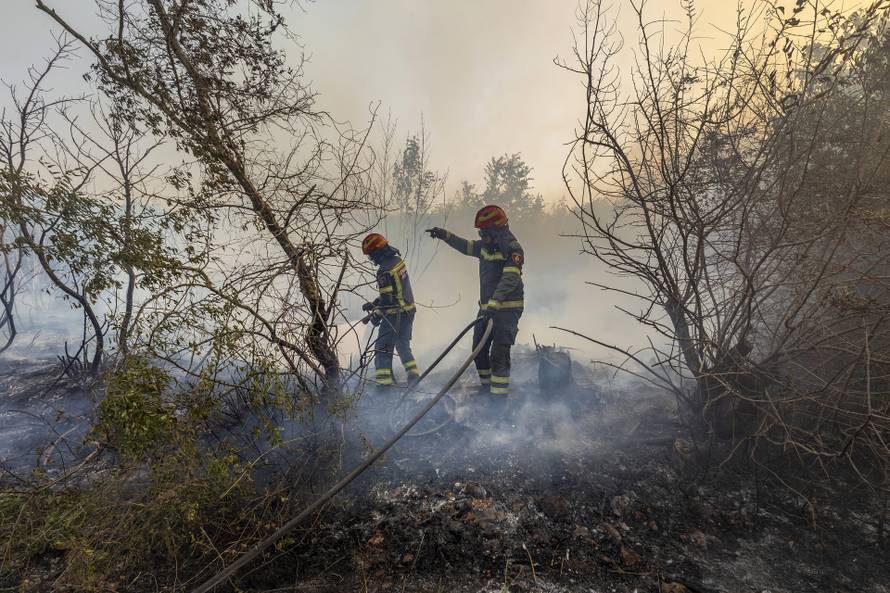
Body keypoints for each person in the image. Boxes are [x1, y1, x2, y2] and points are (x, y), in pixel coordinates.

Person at [426, 205, 524, 400]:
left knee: (499, 353)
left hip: (507, 310)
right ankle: (487, 388)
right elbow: (465, 246)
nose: (481, 236)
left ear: (497, 229)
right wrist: (444, 235)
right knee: (478, 350)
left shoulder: (513, 249)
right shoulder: (485, 247)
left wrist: (495, 303)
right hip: (487, 309)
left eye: (484, 232)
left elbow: (509, 279)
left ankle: (498, 399)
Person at [361, 233, 420, 389]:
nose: (372, 259)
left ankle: (383, 387)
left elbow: (387, 302)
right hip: (409, 311)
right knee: (402, 345)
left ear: (379, 252)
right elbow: (394, 292)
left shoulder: (384, 271)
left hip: (394, 315)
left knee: (382, 349)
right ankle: (414, 376)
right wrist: (374, 304)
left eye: (372, 255)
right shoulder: (398, 262)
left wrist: (375, 316)